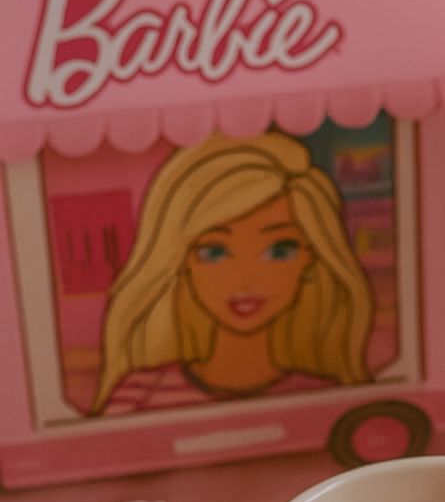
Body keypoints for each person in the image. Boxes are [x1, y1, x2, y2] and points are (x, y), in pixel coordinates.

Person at [91, 130, 374, 414]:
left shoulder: (323, 398)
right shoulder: (139, 394)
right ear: (181, 261)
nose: (246, 279)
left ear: (310, 258)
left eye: (279, 251)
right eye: (214, 252)